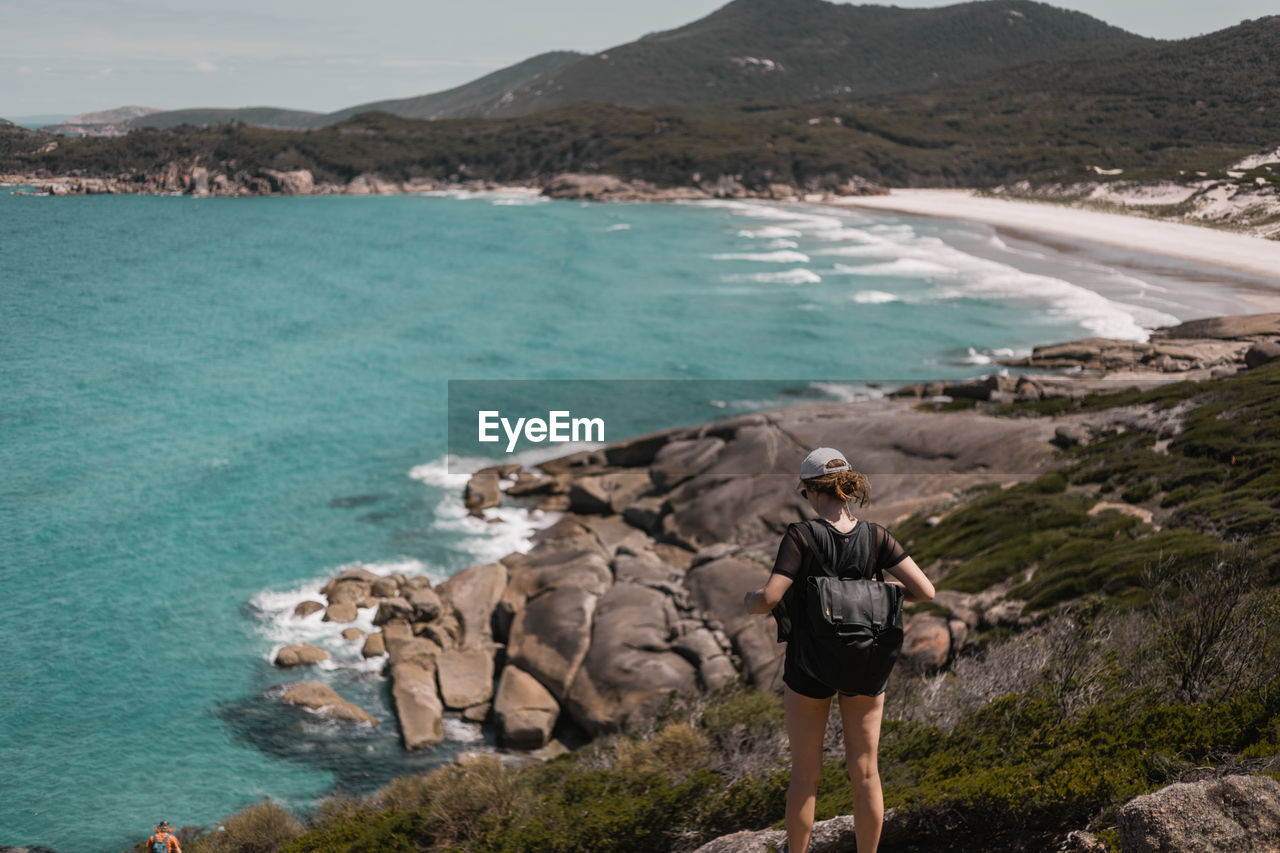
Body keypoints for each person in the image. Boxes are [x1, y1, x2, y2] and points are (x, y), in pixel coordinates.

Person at [743, 447, 935, 853]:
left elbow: (771, 597)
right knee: (866, 773)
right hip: (865, 664)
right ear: (846, 489)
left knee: (805, 776)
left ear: (813, 491)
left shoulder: (802, 535)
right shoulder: (876, 536)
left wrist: (750, 599)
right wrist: (876, 592)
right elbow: (925, 591)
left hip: (809, 665)